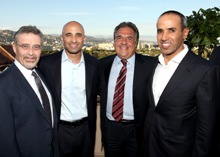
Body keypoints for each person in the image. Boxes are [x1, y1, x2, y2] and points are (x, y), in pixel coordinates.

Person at [143, 10, 220, 157]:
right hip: (150, 146)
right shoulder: (152, 65)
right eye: (160, 31)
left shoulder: (205, 70)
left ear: (185, 33)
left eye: (171, 30)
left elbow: (207, 129)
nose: (164, 37)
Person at [38, 21, 100, 157]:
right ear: (61, 38)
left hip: (86, 131)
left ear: (84, 38)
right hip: (58, 131)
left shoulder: (95, 65)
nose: (73, 40)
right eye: (68, 35)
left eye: (78, 35)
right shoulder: (46, 64)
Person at [0, 26, 59, 157]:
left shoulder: (39, 75)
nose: (31, 53)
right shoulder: (3, 84)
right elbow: (5, 142)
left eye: (36, 47)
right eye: (25, 46)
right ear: (14, 47)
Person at [99, 21, 155, 157]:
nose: (123, 42)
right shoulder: (102, 64)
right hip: (110, 129)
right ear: (114, 42)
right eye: (119, 37)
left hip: (137, 131)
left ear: (136, 43)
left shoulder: (150, 65)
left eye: (129, 38)